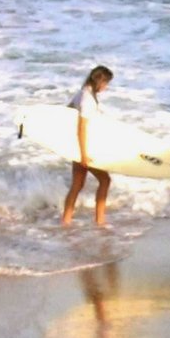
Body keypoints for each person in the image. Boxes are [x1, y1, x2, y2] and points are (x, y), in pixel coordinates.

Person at [61, 65, 114, 226]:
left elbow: (67, 112)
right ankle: (100, 221)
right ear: (100, 81)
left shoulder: (82, 93)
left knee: (77, 185)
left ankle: (66, 222)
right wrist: (83, 154)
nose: (106, 87)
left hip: (78, 146)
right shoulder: (87, 99)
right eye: (106, 83)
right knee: (105, 181)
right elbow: (82, 127)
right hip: (84, 148)